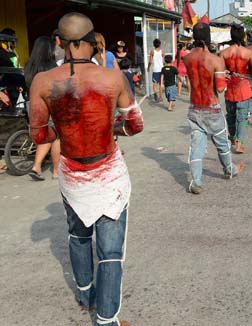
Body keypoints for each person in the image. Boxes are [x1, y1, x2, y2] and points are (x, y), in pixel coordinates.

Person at [29, 12, 144, 326]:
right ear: (93, 41)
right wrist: (110, 128)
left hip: (72, 174)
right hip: (109, 175)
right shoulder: (112, 78)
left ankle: (85, 293)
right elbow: (135, 125)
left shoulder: (42, 81)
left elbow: (39, 134)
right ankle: (106, 320)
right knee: (109, 252)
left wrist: (65, 131)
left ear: (60, 42)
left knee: (78, 237)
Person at [184, 23, 244, 194]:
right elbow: (220, 89)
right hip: (212, 108)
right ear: (208, 37)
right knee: (222, 143)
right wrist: (224, 77)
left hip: (195, 108)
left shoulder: (187, 58)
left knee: (196, 145)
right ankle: (229, 169)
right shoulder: (216, 60)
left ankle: (196, 181)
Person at [24, 36, 60, 181]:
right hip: (47, 105)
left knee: (45, 135)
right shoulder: (51, 67)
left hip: (31, 105)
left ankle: (37, 166)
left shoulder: (29, 65)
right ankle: (57, 171)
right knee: (56, 136)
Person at [221, 24, 252, 155]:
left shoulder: (224, 53)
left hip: (230, 88)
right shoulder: (247, 53)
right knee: (242, 117)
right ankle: (239, 144)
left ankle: (233, 138)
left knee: (231, 115)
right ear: (243, 36)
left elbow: (221, 71)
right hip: (243, 87)